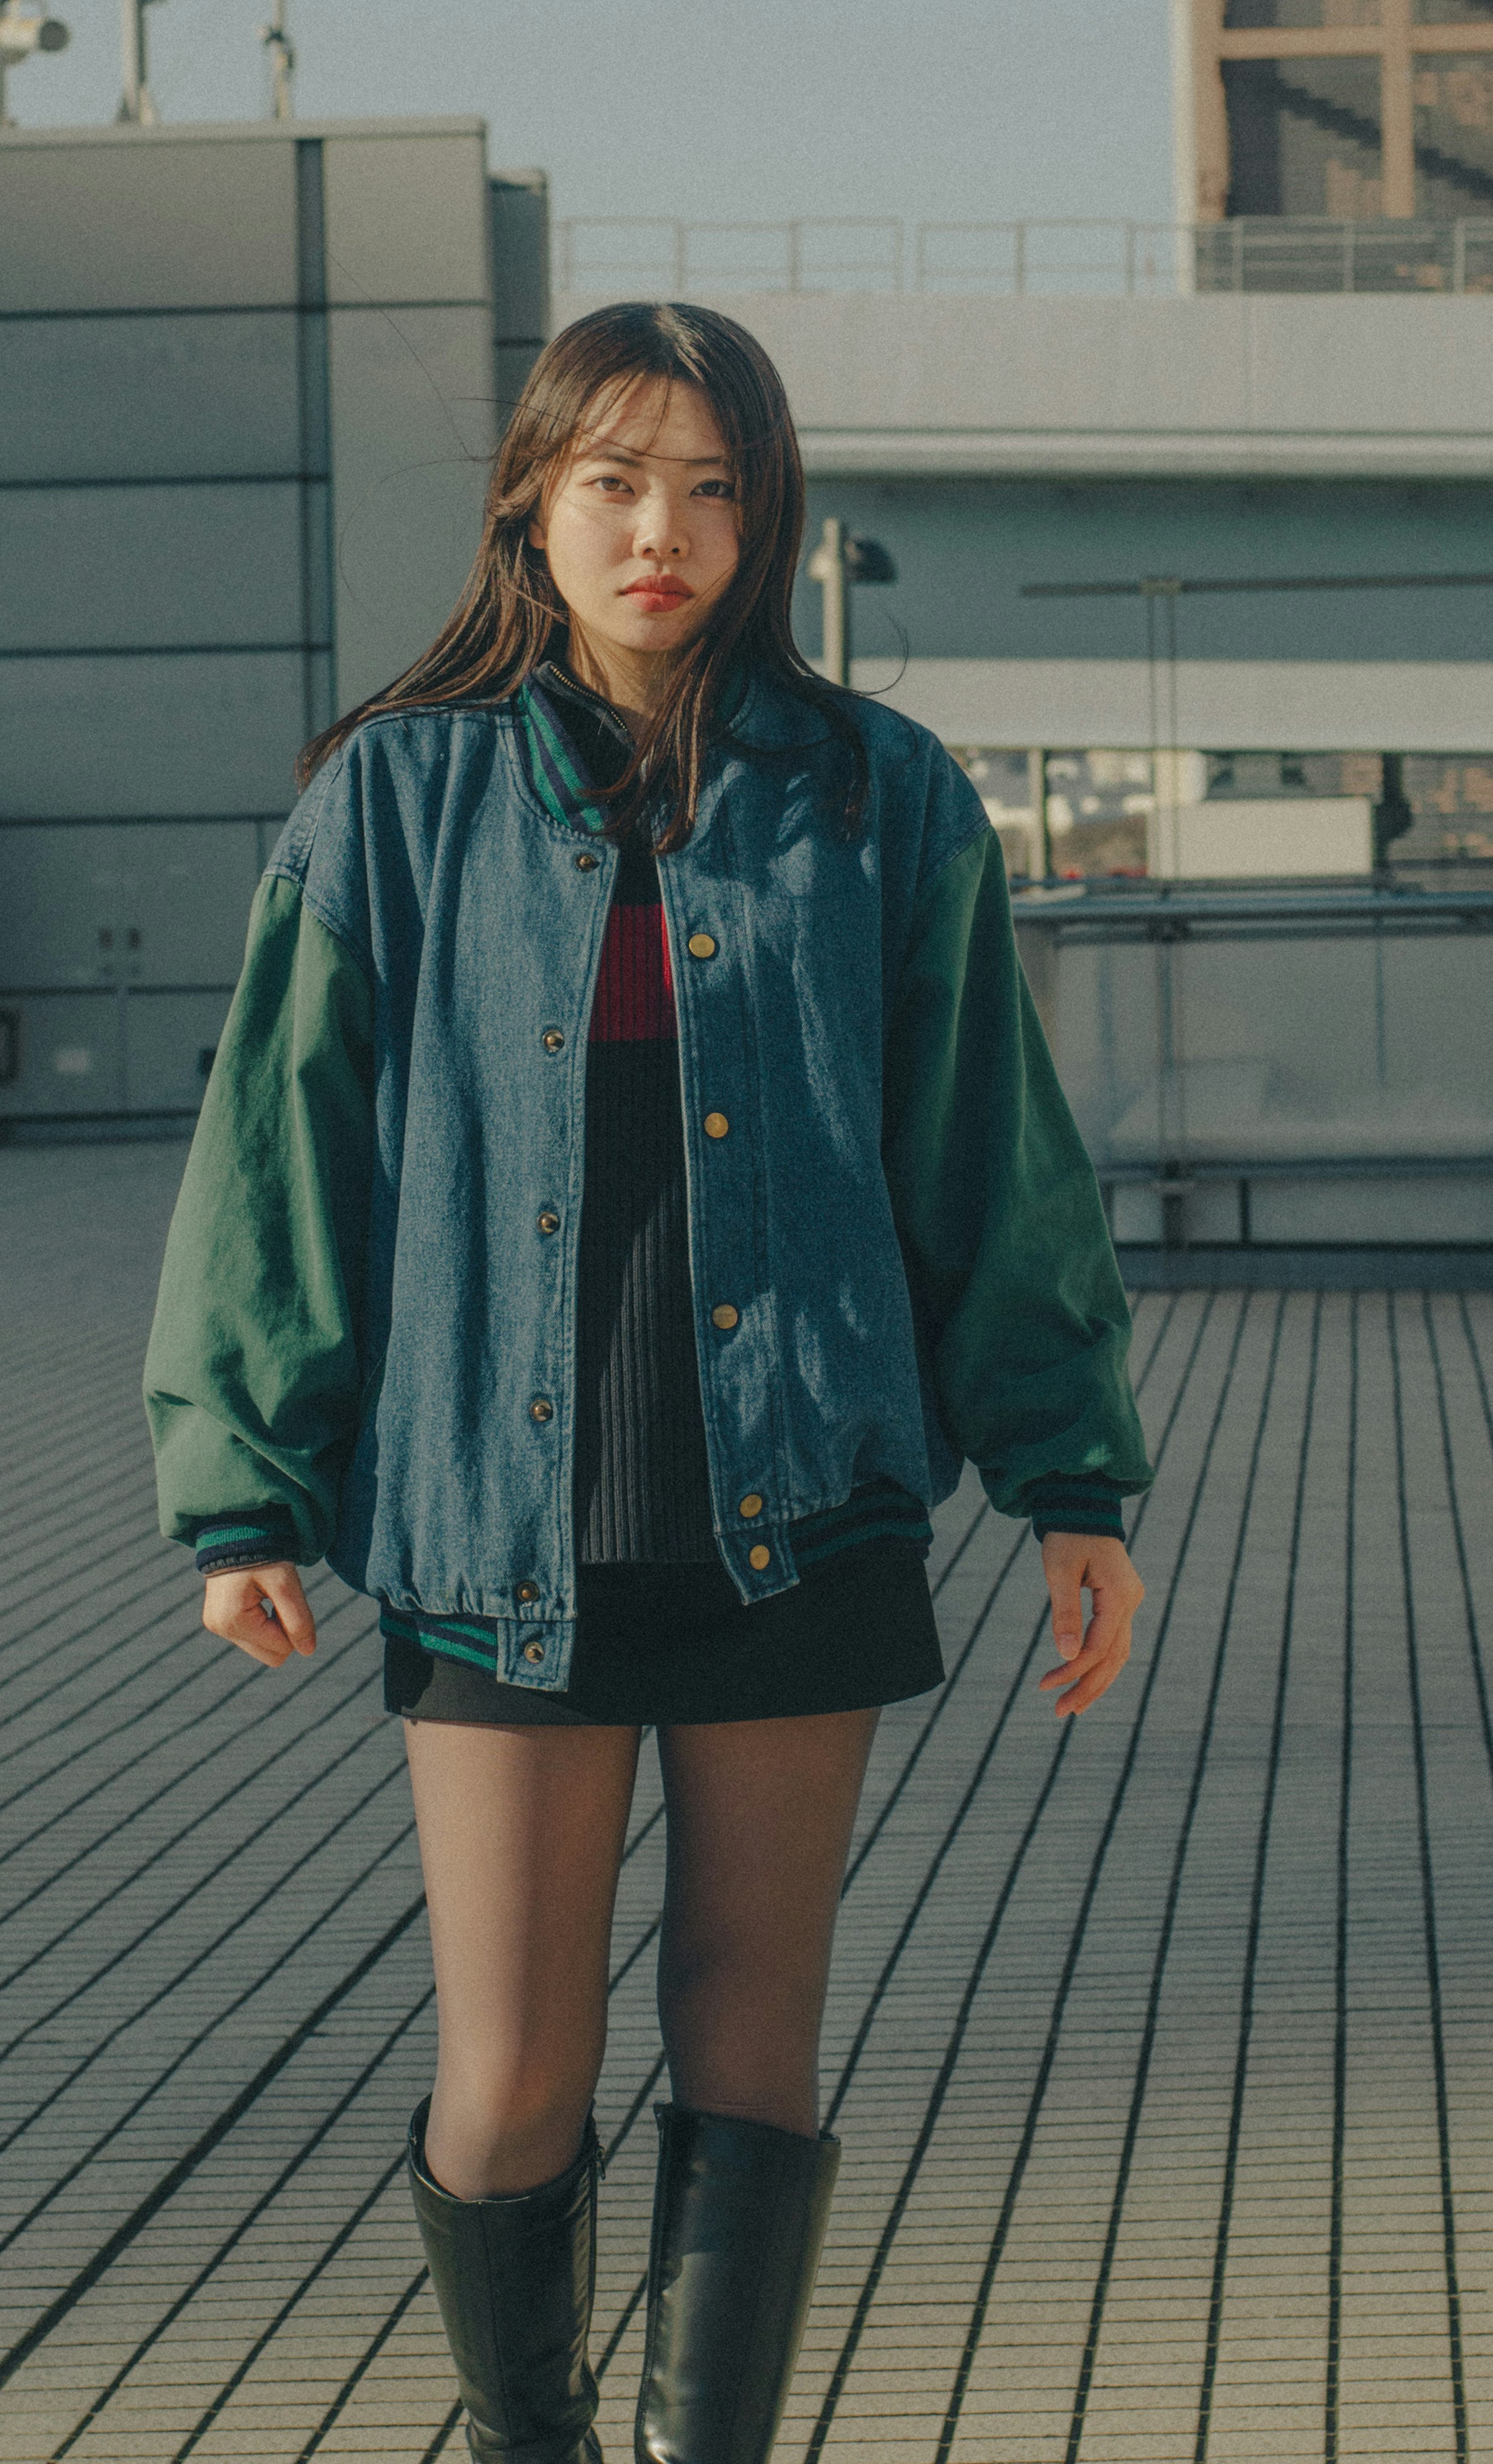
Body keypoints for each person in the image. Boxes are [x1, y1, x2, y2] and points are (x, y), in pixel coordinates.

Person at [143, 301, 1149, 2464]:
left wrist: (1073, 1476)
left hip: (797, 1506)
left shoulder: (877, 796)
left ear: (765, 515)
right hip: (502, 1538)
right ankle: (533, 2444)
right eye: (615, 480)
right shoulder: (394, 799)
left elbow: (985, 1150)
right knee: (511, 2078)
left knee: (749, 2047)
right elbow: (279, 1158)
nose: (662, 530)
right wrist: (246, 1488)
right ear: (534, 498)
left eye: (711, 487)